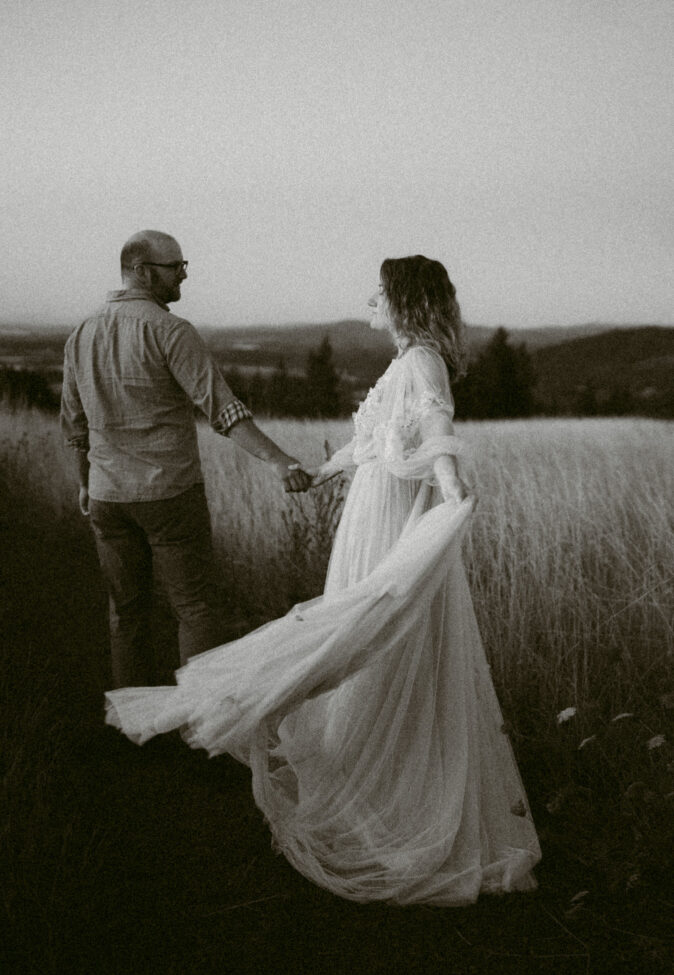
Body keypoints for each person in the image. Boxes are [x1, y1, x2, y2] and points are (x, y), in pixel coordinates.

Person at [105, 255, 541, 905]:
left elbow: (436, 426)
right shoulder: (402, 361)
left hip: (392, 520)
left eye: (381, 291)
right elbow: (369, 447)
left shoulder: (421, 362)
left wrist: (451, 492)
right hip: (369, 515)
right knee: (361, 634)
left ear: (405, 302)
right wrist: (318, 474)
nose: (371, 298)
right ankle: (368, 762)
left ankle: (392, 783)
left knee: (372, 635)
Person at [61, 230, 311, 690]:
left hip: (106, 497)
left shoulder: (81, 334)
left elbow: (75, 426)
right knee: (195, 609)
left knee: (126, 611)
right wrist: (279, 462)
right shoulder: (171, 331)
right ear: (141, 270)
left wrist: (84, 483)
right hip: (169, 494)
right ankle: (203, 727)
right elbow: (223, 410)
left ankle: (134, 731)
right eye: (175, 267)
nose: (184, 274)